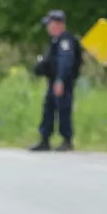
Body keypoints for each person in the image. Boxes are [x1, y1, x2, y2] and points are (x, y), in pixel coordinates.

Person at [29, 9, 82, 152]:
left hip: (63, 81)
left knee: (63, 109)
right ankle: (44, 139)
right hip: (53, 81)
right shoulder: (55, 41)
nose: (48, 27)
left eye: (50, 24)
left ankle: (67, 140)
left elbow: (65, 62)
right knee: (49, 108)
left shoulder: (65, 41)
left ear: (58, 24)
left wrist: (60, 80)